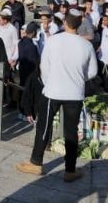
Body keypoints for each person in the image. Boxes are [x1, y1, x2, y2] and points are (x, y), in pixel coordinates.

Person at [16, 12, 97, 180]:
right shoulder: (87, 45)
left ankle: (36, 163)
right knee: (71, 131)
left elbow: (44, 66)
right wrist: (78, 77)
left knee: (44, 127)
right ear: (80, 23)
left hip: (53, 90)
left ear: (65, 23)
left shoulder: (53, 40)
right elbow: (93, 71)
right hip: (74, 93)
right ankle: (70, 169)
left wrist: (48, 82)